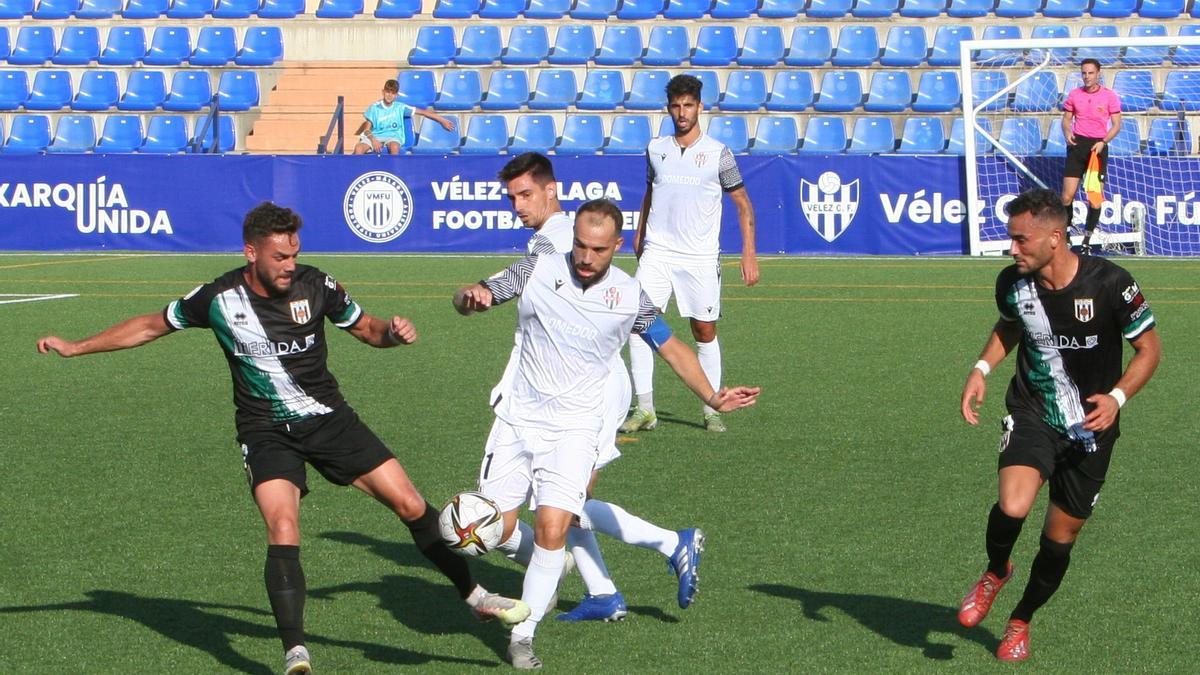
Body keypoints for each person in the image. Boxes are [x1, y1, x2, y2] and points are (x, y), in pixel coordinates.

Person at [36, 202, 528, 675]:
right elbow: (148, 326)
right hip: (265, 431)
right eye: (280, 256)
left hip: (330, 421)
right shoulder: (218, 298)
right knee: (283, 527)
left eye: (294, 253)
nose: (291, 264)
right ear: (251, 252)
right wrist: (76, 347)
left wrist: (393, 334)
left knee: (411, 505)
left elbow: (368, 329)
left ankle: (476, 597)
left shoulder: (317, 284)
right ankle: (295, 650)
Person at [452, 199, 760, 669]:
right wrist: (468, 299)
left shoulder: (629, 295)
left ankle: (524, 634)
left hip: (575, 428)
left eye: (597, 249)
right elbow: (478, 294)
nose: (585, 257)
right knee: (497, 530)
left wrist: (712, 397)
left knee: (555, 528)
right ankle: (552, 575)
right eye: (579, 244)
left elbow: (672, 347)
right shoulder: (536, 268)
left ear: (616, 246)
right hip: (516, 420)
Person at [490, 153, 711, 625]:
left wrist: (711, 395)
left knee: (564, 504)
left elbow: (652, 329)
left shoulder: (557, 246)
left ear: (552, 191)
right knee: (561, 507)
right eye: (511, 197)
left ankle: (671, 543)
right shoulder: (556, 238)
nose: (517, 205)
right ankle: (603, 591)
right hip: (557, 388)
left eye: (525, 194)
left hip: (586, 390)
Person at [958, 189, 1159, 662]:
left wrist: (1117, 397)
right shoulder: (1012, 282)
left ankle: (1021, 619)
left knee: (1058, 540)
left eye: (1021, 240)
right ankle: (995, 571)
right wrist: (981, 369)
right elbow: (1011, 325)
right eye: (1011, 239)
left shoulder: (1111, 283)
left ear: (1055, 236)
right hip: (1034, 410)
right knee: (1013, 503)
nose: (1012, 249)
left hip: (1092, 428)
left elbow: (1149, 350)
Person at [622, 73, 760, 435]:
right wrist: (640, 236)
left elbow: (743, 204)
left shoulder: (719, 153)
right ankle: (645, 408)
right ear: (668, 109)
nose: (682, 112)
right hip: (658, 251)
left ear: (700, 107)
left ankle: (711, 406)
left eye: (688, 105)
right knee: (639, 326)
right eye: (676, 106)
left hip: (699, 257)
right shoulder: (656, 149)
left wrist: (749, 254)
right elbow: (651, 194)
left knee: (703, 330)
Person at [1060, 58, 1122, 253]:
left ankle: (1087, 240)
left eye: (1090, 73)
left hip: (1097, 148)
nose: (1087, 77)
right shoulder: (1074, 95)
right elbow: (1066, 119)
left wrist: (1103, 142)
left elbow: (1117, 125)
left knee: (1094, 198)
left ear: (1098, 74)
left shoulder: (1109, 96)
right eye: (1084, 73)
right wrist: (1067, 132)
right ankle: (1067, 236)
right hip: (1078, 146)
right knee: (1067, 196)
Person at [352, 79, 454, 155]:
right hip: (375, 136)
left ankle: (394, 173)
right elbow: (366, 130)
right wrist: (373, 140)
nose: (389, 95)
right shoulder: (374, 108)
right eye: (388, 92)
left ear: (396, 95)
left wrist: (442, 120)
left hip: (393, 137)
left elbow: (423, 112)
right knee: (359, 148)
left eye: (393, 93)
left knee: (394, 146)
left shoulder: (400, 107)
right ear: (383, 92)